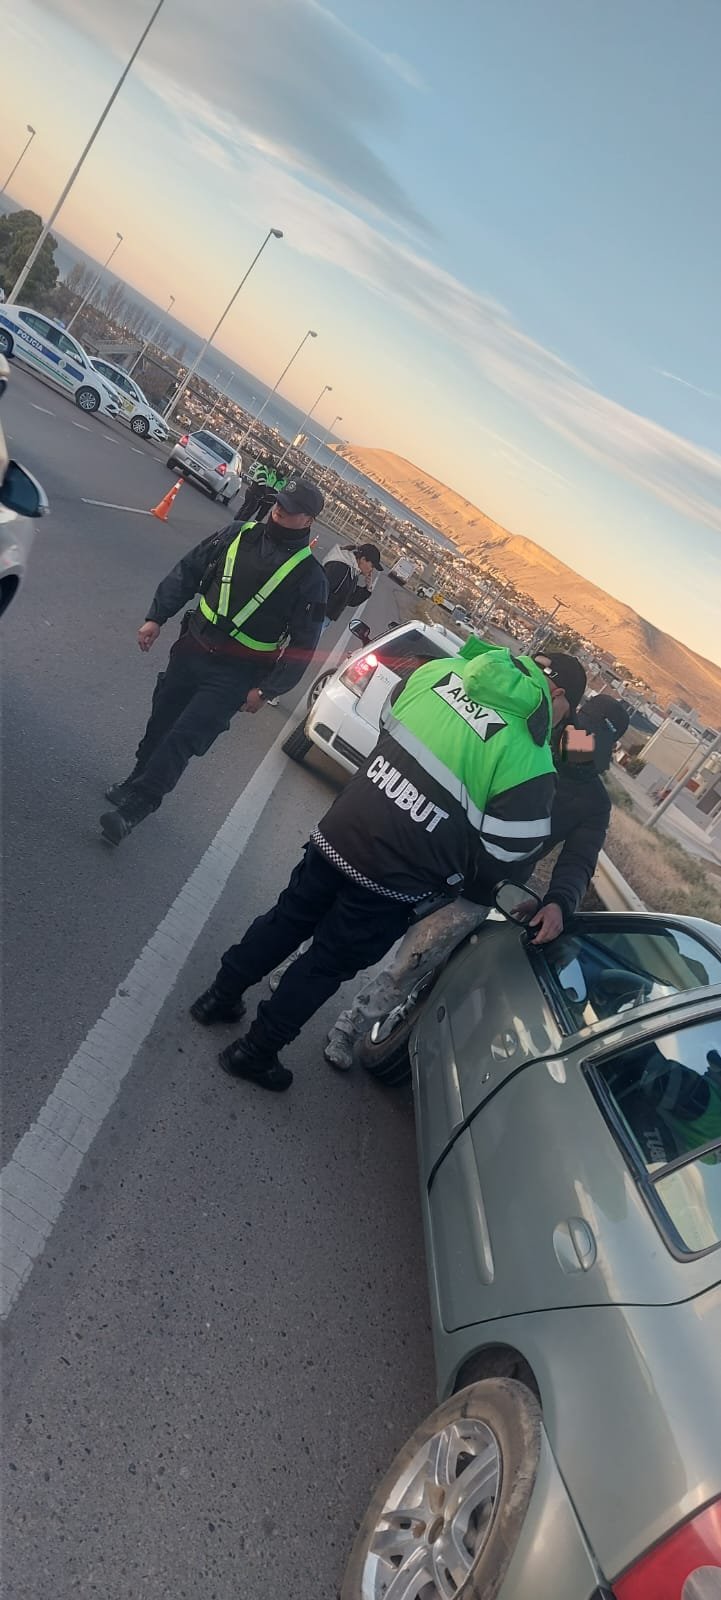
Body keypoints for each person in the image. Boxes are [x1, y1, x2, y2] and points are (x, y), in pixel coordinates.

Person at [189, 639, 559, 1092]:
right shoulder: (530, 756)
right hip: (398, 875)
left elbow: (387, 723)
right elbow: (511, 849)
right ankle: (254, 1052)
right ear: (549, 698)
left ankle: (217, 997)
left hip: (344, 828)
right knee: (327, 963)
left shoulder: (438, 674)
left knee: (287, 918)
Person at [324, 663, 627, 1070]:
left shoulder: (594, 803)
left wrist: (559, 902)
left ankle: (351, 1026)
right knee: (359, 924)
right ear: (572, 714)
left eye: (594, 740)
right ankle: (305, 975)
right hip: (429, 851)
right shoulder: (524, 739)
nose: (581, 742)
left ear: (609, 750)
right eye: (581, 729)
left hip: (481, 888)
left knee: (410, 965)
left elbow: (579, 860)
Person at [99, 481, 328, 846]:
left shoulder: (311, 577)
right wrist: (157, 617)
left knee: (184, 737)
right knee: (161, 721)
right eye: (280, 503)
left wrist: (267, 690)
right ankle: (136, 780)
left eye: (291, 508)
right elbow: (188, 571)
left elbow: (304, 644)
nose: (280, 510)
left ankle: (136, 808)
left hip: (236, 674)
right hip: (193, 646)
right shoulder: (237, 534)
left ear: (309, 519)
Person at [322, 542, 382, 625]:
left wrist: (367, 589)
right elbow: (320, 589)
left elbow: (349, 599)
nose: (371, 570)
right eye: (372, 566)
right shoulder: (341, 567)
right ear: (363, 559)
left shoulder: (352, 571)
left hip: (323, 617)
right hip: (317, 615)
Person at [233, 460, 289, 526]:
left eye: (284, 471)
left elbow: (282, 492)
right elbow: (262, 481)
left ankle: (251, 526)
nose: (281, 472)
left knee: (260, 516)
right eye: (281, 469)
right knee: (250, 510)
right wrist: (264, 492)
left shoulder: (284, 481)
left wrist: (276, 500)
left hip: (270, 501)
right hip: (262, 495)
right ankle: (240, 522)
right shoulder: (271, 472)